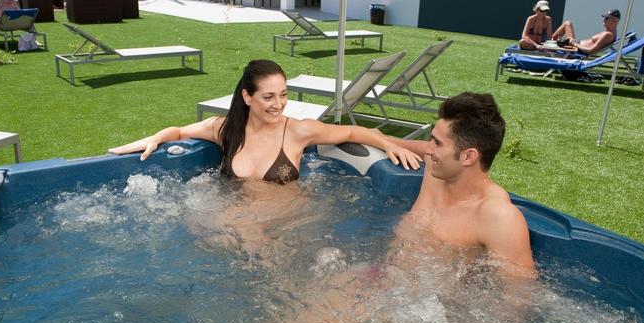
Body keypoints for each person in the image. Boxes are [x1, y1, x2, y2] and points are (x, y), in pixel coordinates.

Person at [108, 59, 423, 183]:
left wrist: (388, 145)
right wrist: (155, 138)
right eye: (268, 97)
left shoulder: (298, 131)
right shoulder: (226, 129)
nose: (279, 104)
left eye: (283, 94)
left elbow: (353, 130)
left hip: (284, 230)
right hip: (232, 227)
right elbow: (177, 130)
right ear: (247, 97)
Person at [394, 92, 535, 275]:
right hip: (383, 276)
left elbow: (518, 299)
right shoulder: (435, 168)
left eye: (437, 143)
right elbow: (372, 136)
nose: (428, 150)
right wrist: (389, 145)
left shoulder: (499, 218)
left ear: (468, 156)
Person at [551, 9, 620, 55]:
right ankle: (550, 43)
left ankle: (549, 45)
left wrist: (574, 44)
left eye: (607, 18)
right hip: (576, 46)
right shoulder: (610, 33)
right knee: (567, 24)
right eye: (604, 18)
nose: (604, 20)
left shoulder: (608, 35)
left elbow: (590, 51)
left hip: (576, 49)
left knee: (567, 24)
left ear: (614, 21)